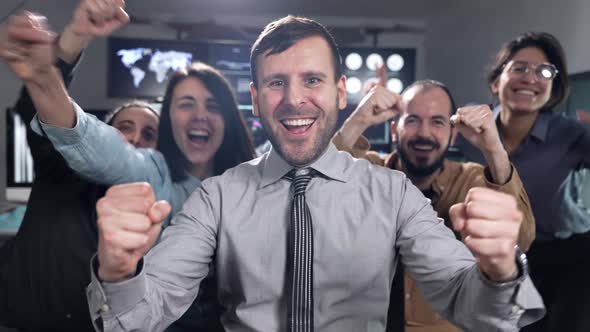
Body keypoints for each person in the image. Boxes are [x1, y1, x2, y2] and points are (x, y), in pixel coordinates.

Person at [14, 14, 544, 331]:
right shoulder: (217, 198)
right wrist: (119, 272)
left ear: (340, 92)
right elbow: (137, 317)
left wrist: (499, 271)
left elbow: (471, 305)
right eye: (275, 83)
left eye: (312, 79)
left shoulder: (393, 192)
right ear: (254, 97)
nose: (294, 99)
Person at [334, 77, 535, 332]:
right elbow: (310, 191)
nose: (424, 133)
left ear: (453, 137)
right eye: (413, 120)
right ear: (395, 130)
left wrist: (494, 148)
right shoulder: (369, 171)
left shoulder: (470, 179)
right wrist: (358, 120)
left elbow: (522, 239)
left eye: (437, 122)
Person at [0, 1, 151, 331]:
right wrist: (76, 36)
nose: (136, 138)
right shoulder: (59, 164)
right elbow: (38, 108)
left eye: (149, 134)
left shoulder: (155, 213)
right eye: (125, 127)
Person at [454, 32, 590, 332]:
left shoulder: (570, 133)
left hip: (566, 259)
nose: (530, 78)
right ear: (496, 82)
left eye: (544, 72)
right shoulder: (468, 129)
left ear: (553, 89)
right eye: (519, 68)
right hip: (493, 258)